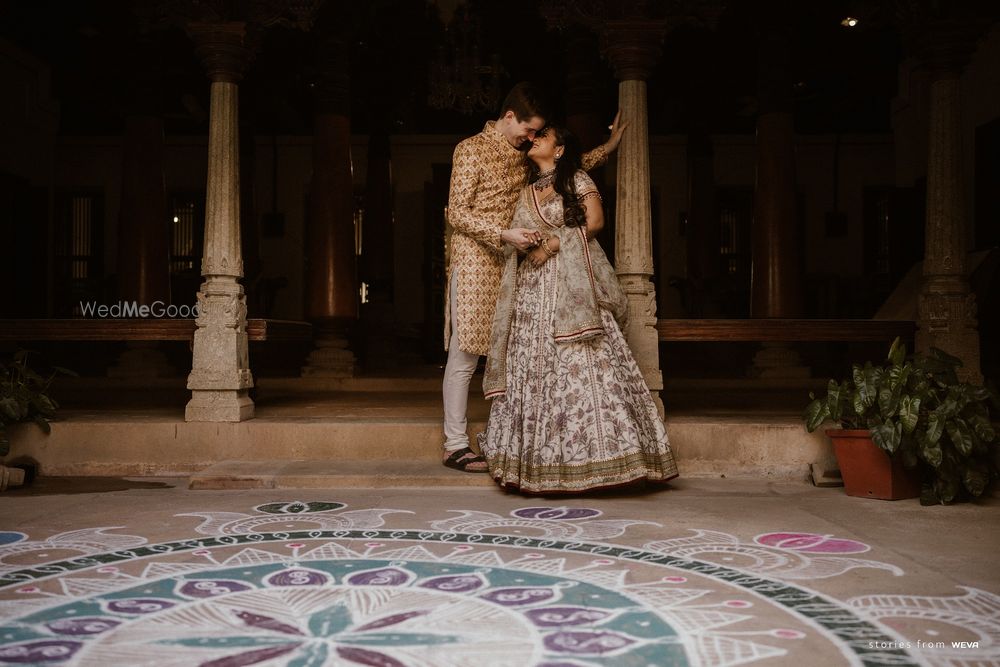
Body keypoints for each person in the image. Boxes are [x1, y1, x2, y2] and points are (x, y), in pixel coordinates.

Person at [477, 125, 679, 493]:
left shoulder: (577, 178)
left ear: (559, 150)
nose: (534, 138)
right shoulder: (525, 192)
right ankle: (539, 463)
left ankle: (604, 459)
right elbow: (518, 237)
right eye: (533, 134)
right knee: (533, 368)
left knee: (582, 366)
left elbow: (595, 222)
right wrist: (525, 246)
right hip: (532, 293)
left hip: (574, 288)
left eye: (544, 136)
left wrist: (553, 244)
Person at [441, 82, 623, 472]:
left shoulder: (524, 157)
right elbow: (455, 213)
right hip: (476, 260)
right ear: (509, 118)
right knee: (466, 351)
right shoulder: (469, 150)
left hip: (514, 265)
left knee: (511, 350)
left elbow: (565, 168)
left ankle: (509, 438)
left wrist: (606, 150)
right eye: (529, 130)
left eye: (537, 133)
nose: (532, 137)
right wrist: (502, 234)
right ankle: (454, 444)